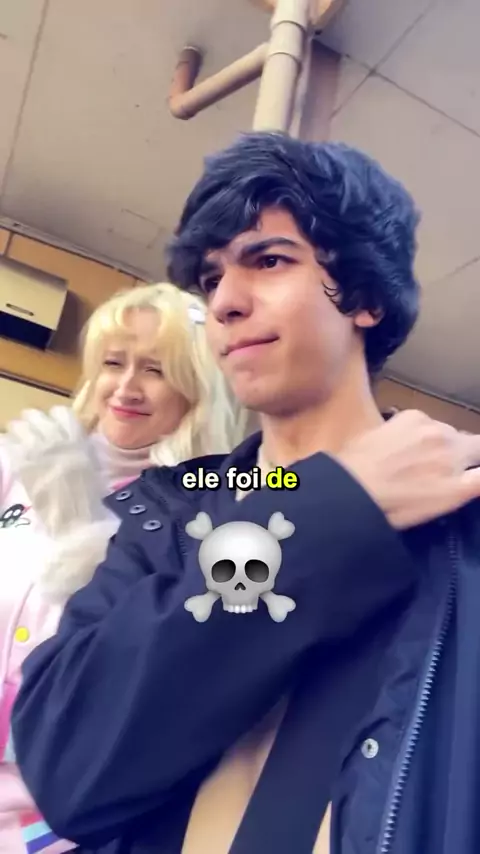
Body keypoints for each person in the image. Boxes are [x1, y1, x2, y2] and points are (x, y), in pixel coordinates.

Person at [11, 134, 480, 854]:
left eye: (268, 260)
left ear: (363, 296)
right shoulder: (165, 511)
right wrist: (333, 509)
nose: (225, 302)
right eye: (211, 278)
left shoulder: (463, 516)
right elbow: (67, 765)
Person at [0, 281, 244, 853]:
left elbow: (144, 667)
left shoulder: (206, 508)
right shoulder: (21, 464)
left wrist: (82, 539)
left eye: (155, 370)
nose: (127, 386)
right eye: (114, 362)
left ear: (196, 387)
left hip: (49, 819)